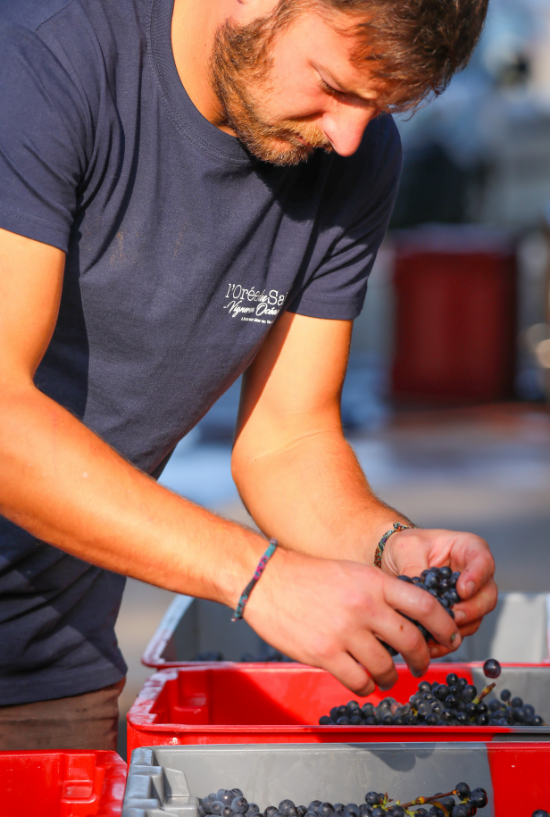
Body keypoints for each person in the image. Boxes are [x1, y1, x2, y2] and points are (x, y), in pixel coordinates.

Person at [0, 0, 496, 751]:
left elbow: (287, 443)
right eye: (333, 85)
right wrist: (257, 575)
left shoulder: (351, 153)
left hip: (49, 670)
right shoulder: (41, 64)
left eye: (380, 104)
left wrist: (389, 547)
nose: (349, 133)